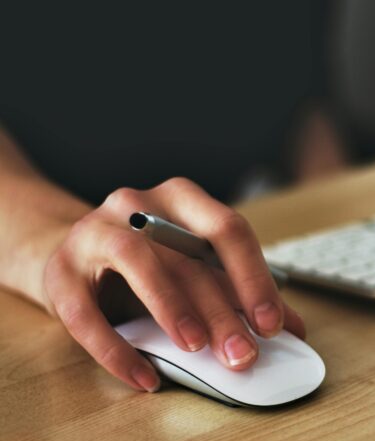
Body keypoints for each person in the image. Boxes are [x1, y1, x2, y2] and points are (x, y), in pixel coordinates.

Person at [0, 3, 343, 393]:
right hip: (62, 216)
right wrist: (58, 243)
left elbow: (310, 102)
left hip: (230, 240)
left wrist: (332, 225)